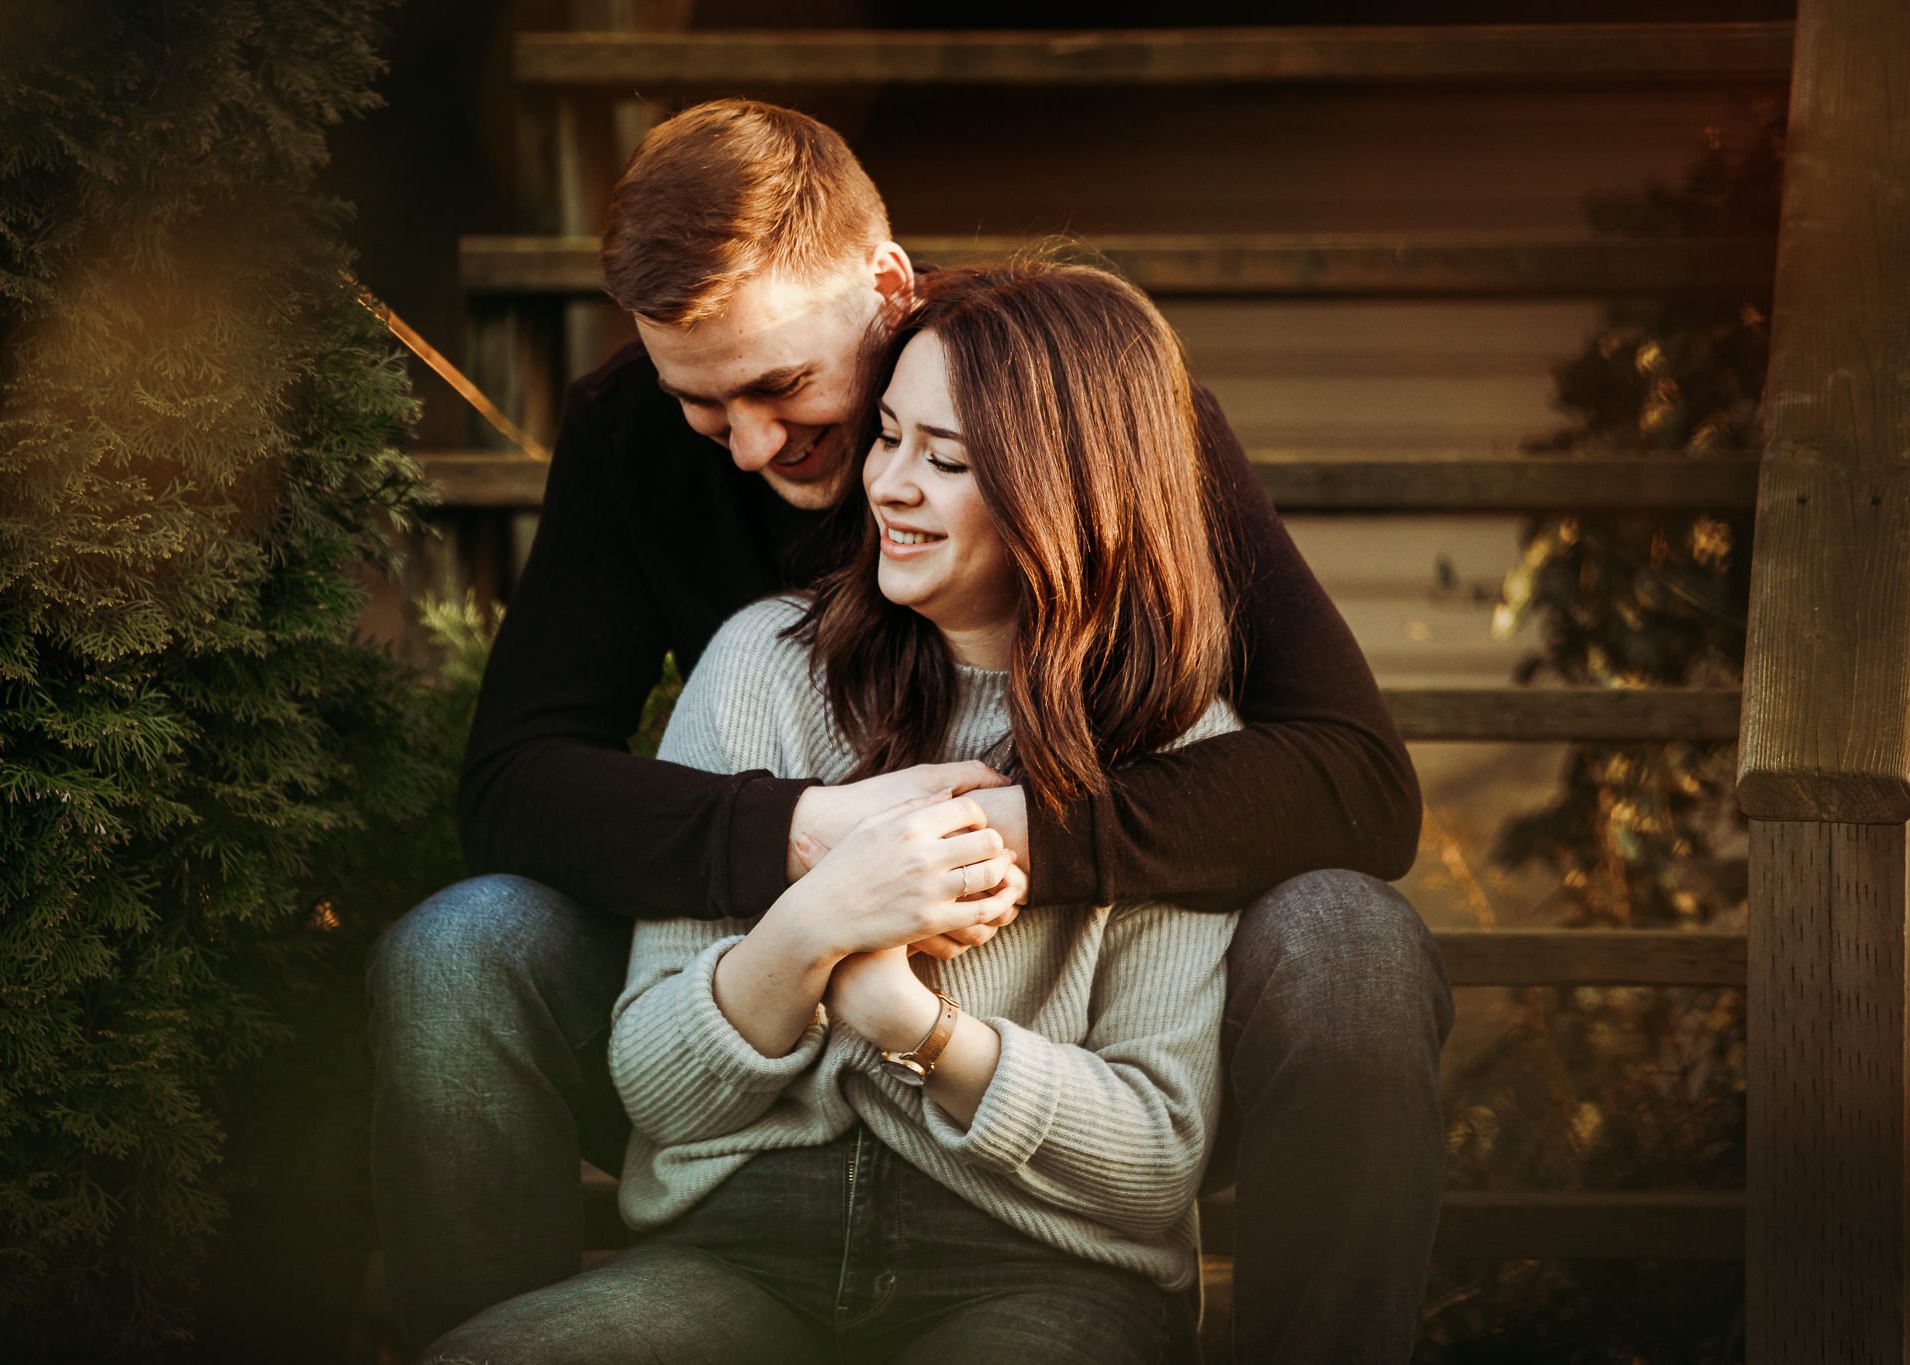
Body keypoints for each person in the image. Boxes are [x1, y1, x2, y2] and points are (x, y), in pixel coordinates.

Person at [368, 100, 1452, 1365]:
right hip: (747, 1056)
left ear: (886, 289)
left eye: (780, 388)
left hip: (1046, 1102)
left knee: (1349, 935)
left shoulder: (1092, 418)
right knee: (459, 944)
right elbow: (514, 786)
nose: (753, 446)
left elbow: (1355, 783)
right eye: (703, 408)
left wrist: (1003, 835)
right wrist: (808, 843)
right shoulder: (647, 467)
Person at [426, 260, 1247, 1365]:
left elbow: (1154, 1152)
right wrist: (813, 924)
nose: (888, 486)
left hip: (1041, 1269)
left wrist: (910, 1024)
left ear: (1070, 490)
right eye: (889, 437)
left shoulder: (1179, 752)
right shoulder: (762, 665)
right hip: (739, 1250)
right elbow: (656, 1087)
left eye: (945, 460)